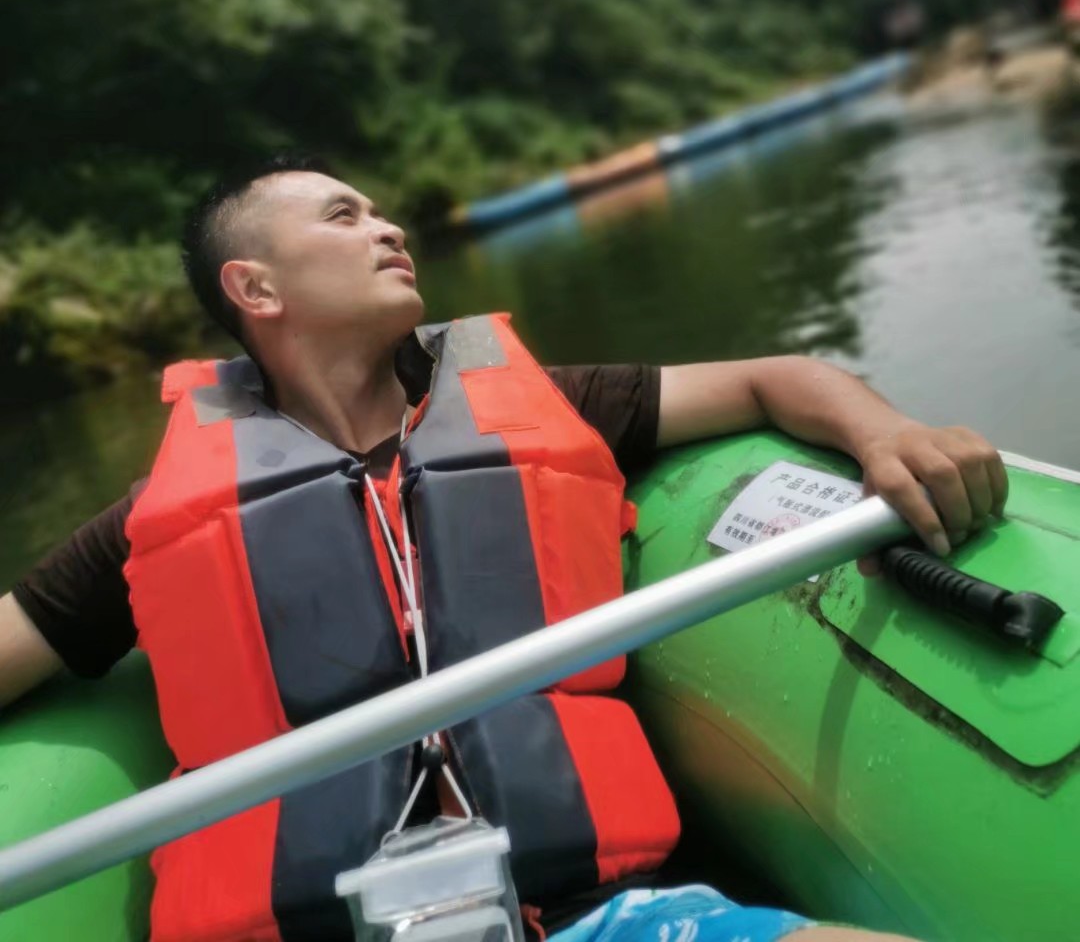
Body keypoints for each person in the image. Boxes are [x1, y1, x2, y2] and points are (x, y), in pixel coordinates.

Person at [0, 156, 1007, 942]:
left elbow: (770, 380)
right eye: (344, 216)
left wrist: (885, 434)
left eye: (379, 213)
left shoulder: (549, 407)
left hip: (581, 915)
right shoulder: (149, 524)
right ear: (255, 287)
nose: (388, 228)